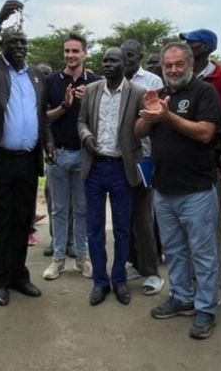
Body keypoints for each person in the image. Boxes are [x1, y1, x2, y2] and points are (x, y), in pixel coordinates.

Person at [0, 0, 54, 307]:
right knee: (2, 220)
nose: (19, 46)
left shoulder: (35, 76)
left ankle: (19, 276)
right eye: (13, 42)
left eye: (23, 43)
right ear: (3, 45)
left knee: (22, 220)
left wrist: (48, 143)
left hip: (27, 161)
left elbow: (40, 114)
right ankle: (0, 280)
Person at [136, 42, 220, 340]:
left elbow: (206, 133)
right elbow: (138, 131)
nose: (172, 70)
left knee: (203, 254)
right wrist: (149, 113)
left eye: (178, 64)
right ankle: (182, 297)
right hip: (164, 190)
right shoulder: (160, 95)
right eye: (167, 66)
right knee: (173, 251)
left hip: (196, 190)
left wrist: (167, 116)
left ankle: (206, 308)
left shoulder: (205, 92)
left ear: (190, 65)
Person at [78, 48, 144, 306]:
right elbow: (81, 121)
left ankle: (119, 280)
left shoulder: (137, 93)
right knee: (94, 228)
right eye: (105, 60)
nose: (107, 64)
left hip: (121, 168)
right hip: (94, 167)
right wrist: (86, 136)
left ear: (124, 64)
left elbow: (143, 128)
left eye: (113, 61)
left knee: (121, 228)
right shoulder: (92, 90)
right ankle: (100, 281)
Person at [180, 29, 221, 303]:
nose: (186, 45)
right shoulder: (183, 74)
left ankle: (214, 287)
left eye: (190, 42)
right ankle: (191, 283)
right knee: (186, 228)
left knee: (211, 227)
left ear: (205, 47)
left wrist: (220, 153)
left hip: (208, 164)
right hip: (183, 165)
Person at [42, 34, 97, 281]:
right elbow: (43, 119)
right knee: (59, 209)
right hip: (59, 154)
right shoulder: (51, 81)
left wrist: (89, 102)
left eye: (76, 51)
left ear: (85, 53)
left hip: (85, 156)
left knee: (83, 209)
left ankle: (82, 259)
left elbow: (101, 121)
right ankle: (58, 260)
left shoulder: (96, 82)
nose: (71, 55)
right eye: (67, 51)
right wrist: (64, 105)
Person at [120, 39, 163, 296]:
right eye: (123, 56)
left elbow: (157, 123)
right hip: (117, 159)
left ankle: (151, 271)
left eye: (131, 56)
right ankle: (132, 263)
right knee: (124, 216)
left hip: (143, 159)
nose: (126, 61)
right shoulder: (112, 82)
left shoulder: (153, 82)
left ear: (140, 56)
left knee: (144, 218)